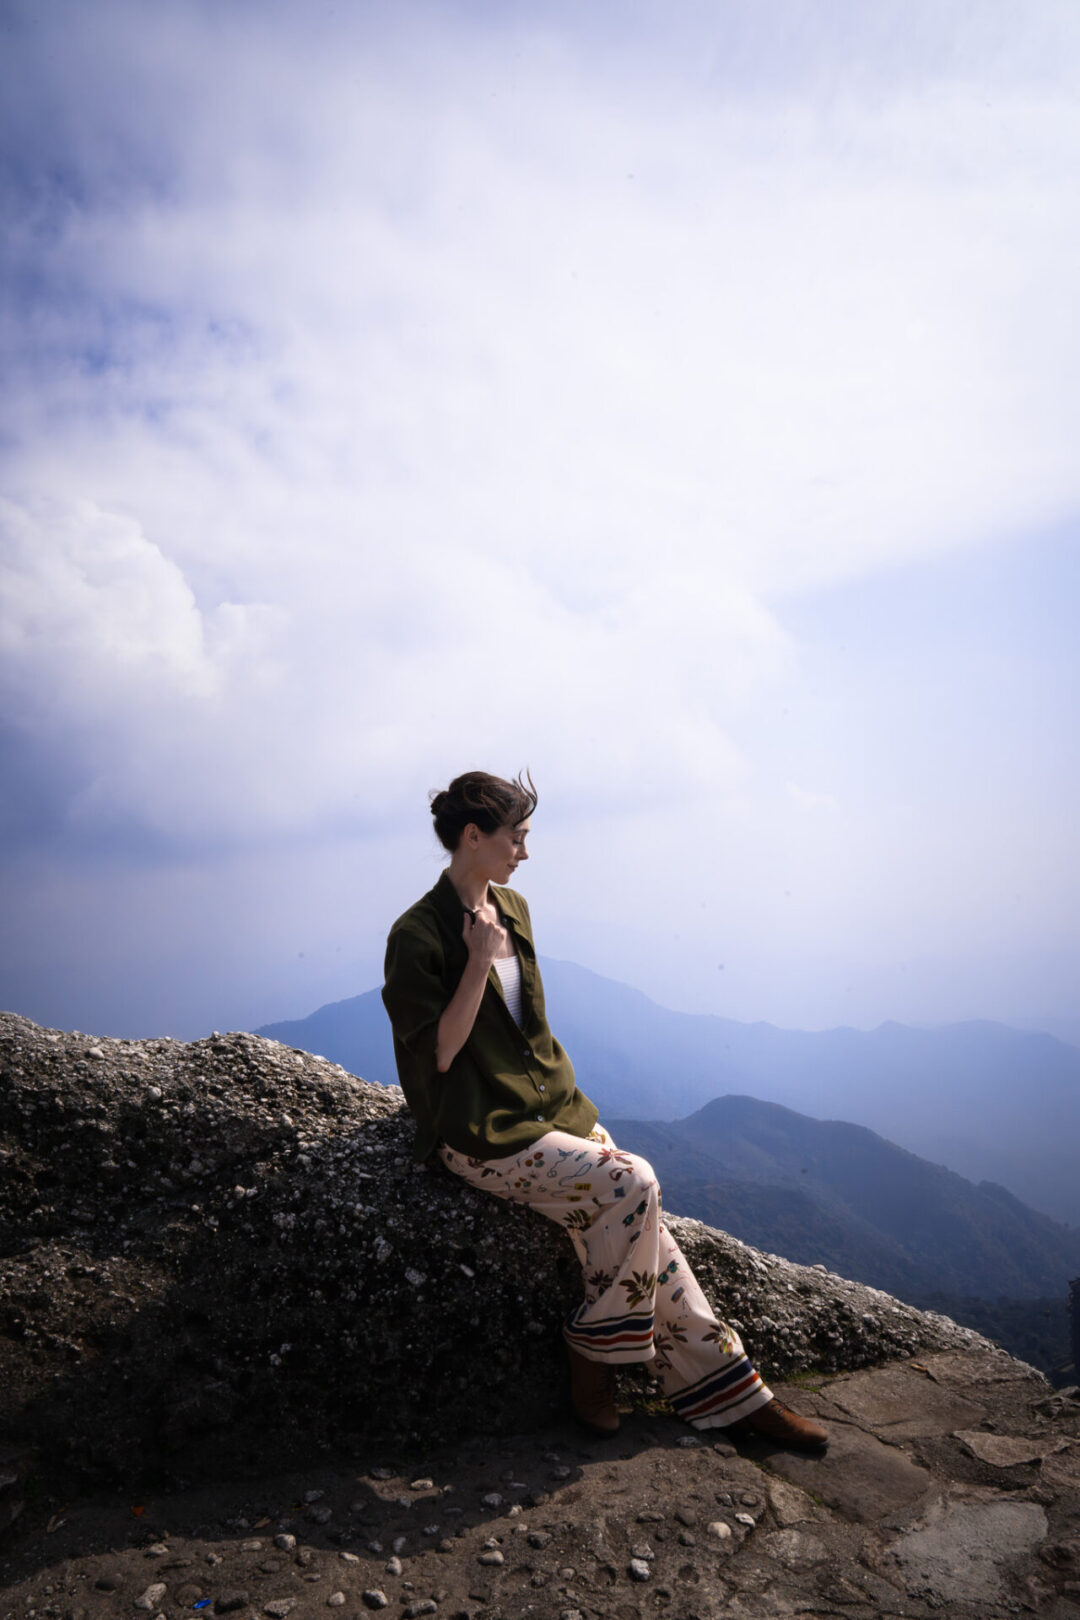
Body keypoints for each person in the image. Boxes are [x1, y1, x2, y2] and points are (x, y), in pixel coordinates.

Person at [382, 770, 827, 1449]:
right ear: (474, 837)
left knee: (655, 1246)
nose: (523, 853)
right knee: (635, 1181)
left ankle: (736, 1392)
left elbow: (525, 1024)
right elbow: (439, 1054)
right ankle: (593, 1357)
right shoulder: (417, 935)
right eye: (515, 838)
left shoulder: (516, 908)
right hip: (480, 1132)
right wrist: (475, 963)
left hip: (549, 1111)